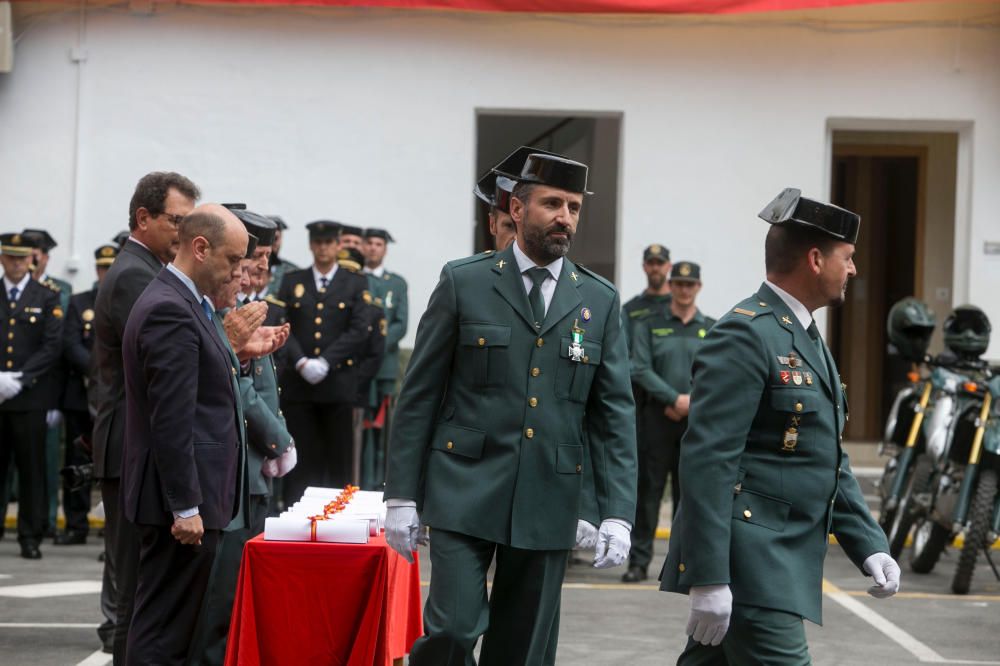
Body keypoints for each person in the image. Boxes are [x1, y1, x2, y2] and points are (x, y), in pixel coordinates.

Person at [385, 152, 637, 665]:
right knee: (452, 629)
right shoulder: (465, 281)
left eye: (572, 206)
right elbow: (420, 396)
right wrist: (401, 496)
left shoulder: (599, 298)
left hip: (550, 491)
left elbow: (612, 415)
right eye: (551, 203)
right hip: (464, 485)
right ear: (517, 210)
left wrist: (616, 511)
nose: (564, 216)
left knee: (522, 648)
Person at [660, 188, 900, 664]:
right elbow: (709, 460)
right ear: (815, 259)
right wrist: (709, 577)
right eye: (847, 258)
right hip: (753, 566)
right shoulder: (747, 333)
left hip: (776, 563)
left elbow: (824, 453)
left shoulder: (803, 333)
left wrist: (869, 544)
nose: (853, 269)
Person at [121, 204, 248, 666]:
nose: (240, 272)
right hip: (178, 505)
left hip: (189, 499)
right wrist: (186, 507)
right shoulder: (170, 310)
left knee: (174, 628)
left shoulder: (183, 302)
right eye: (233, 260)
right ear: (200, 247)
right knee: (163, 632)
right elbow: (171, 420)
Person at [91, 170, 200, 663]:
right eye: (175, 220)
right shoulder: (136, 273)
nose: (182, 232)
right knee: (132, 587)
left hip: (131, 441)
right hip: (127, 444)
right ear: (144, 217)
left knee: (138, 584)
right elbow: (167, 360)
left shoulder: (143, 267)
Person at [188, 208, 293, 666]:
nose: (258, 270)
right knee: (213, 608)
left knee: (229, 604)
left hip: (248, 469)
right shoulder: (214, 310)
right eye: (252, 259)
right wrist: (279, 439)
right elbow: (239, 390)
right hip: (232, 471)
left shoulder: (234, 307)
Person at [623, 261, 714, 584]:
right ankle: (638, 561)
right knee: (648, 493)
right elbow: (639, 367)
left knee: (687, 496)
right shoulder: (649, 325)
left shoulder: (711, 327)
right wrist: (672, 398)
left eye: (690, 284)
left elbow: (715, 373)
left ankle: (681, 564)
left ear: (698, 287)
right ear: (671, 286)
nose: (684, 290)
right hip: (657, 419)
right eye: (679, 284)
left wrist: (691, 401)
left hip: (695, 422)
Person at [278, 220, 371, 503]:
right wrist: (302, 361)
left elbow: (359, 329)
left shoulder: (355, 282)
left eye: (328, 243)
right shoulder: (292, 280)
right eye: (318, 243)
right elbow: (283, 324)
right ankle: (297, 515)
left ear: (338, 245)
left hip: (337, 385)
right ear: (311, 245)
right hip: (299, 385)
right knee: (302, 459)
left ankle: (338, 517)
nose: (323, 248)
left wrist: (327, 361)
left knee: (338, 459)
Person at [0, 232, 64, 559]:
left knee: (31, 470)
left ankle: (30, 535)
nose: (14, 263)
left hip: (29, 397)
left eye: (20, 258)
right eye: (9, 257)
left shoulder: (46, 296)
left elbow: (52, 346)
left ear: (31, 259)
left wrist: (20, 378)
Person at [56, 243, 119, 547]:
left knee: (111, 463)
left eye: (111, 267)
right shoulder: (80, 302)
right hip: (81, 394)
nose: (106, 273)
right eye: (103, 268)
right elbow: (69, 343)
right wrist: (94, 369)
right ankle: (75, 524)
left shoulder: (124, 299)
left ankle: (112, 529)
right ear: (96, 270)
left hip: (111, 396)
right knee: (77, 459)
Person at [21, 228, 71, 537]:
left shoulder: (58, 290)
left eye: (37, 252)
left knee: (46, 461)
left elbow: (58, 343)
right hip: (12, 386)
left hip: (46, 387)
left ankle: (48, 519)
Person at [362, 227, 407, 488]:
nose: (373, 249)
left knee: (385, 430)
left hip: (385, 368)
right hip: (360, 368)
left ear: (385, 249)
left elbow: (401, 324)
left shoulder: (396, 283)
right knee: (361, 430)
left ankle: (382, 483)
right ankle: (362, 480)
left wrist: (377, 344)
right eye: (369, 244)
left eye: (378, 244)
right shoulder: (355, 279)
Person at [475, 145, 559, 251]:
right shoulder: (469, 268)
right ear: (492, 224)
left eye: (528, 228)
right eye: (509, 226)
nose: (517, 239)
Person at [266, 215, 299, 293]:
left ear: (281, 239)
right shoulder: (249, 267)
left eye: (275, 238)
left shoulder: (291, 272)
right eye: (268, 238)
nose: (272, 243)